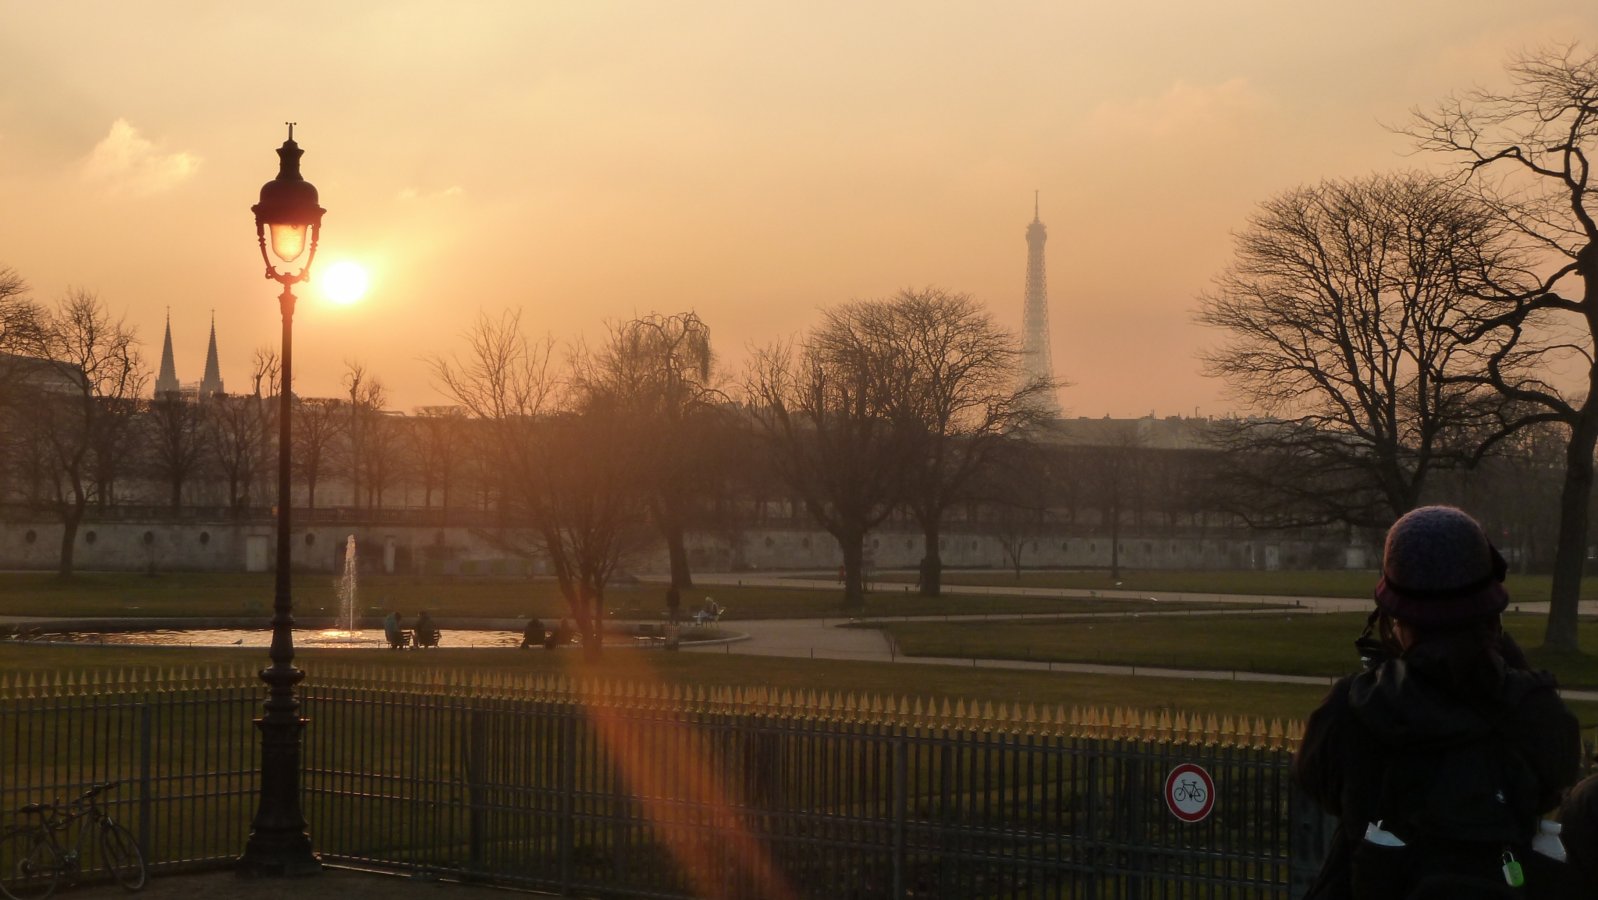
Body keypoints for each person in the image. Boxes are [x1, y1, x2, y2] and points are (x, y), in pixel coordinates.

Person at [1293, 506, 1582, 899]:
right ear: (1491, 613)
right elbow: (1555, 779)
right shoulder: (1535, 711)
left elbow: (1317, 783)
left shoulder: (1352, 709)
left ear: (1396, 617)